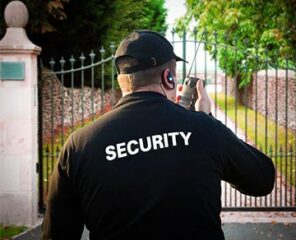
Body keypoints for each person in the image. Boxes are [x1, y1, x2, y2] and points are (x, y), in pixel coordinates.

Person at [42, 30, 275, 240]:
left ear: (121, 81)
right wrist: (207, 118)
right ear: (168, 77)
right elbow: (262, 179)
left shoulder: (79, 145)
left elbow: (56, 234)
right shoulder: (205, 128)